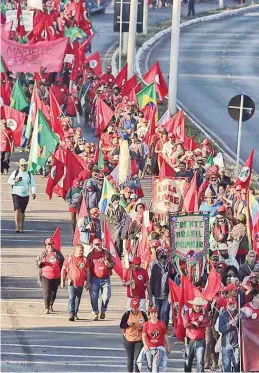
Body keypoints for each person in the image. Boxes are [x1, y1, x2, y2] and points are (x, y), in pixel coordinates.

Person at [61, 244, 90, 321]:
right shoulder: (69, 258)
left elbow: (87, 271)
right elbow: (63, 270)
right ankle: (71, 313)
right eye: (80, 250)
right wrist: (62, 281)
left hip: (80, 282)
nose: (82, 251)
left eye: (82, 250)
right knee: (71, 298)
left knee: (77, 298)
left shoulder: (85, 259)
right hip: (71, 281)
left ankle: (75, 313)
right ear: (75, 250)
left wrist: (88, 282)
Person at [35, 238, 64, 314]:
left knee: (54, 292)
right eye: (48, 244)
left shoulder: (58, 253)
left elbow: (63, 263)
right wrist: (39, 263)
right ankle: (46, 308)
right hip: (45, 276)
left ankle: (51, 304)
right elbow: (36, 262)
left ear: (53, 245)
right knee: (46, 291)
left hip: (56, 276)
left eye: (51, 244)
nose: (50, 246)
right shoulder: (42, 254)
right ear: (45, 245)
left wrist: (64, 275)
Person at [87, 238, 114, 321]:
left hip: (105, 278)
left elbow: (113, 264)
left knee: (106, 296)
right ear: (93, 245)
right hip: (94, 278)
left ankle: (103, 310)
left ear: (102, 243)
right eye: (96, 245)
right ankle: (95, 312)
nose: (98, 246)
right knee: (94, 297)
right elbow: (87, 268)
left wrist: (109, 264)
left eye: (99, 244)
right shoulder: (90, 255)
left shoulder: (106, 253)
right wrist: (87, 281)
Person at [7, 158, 36, 233]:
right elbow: (9, 181)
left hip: (25, 194)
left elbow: (32, 184)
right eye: (22, 165)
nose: (24, 166)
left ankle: (21, 225)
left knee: (22, 211)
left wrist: (33, 192)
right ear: (19, 165)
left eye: (25, 165)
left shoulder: (29, 174)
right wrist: (15, 181)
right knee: (17, 209)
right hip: (16, 193)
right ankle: (17, 226)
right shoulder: (15, 172)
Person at [120, 297, 148, 372]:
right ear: (130, 306)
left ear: (138, 306)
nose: (134, 309)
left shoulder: (143, 314)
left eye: (136, 307)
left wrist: (143, 327)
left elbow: (148, 325)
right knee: (130, 358)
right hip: (128, 339)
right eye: (133, 307)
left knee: (138, 359)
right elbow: (121, 325)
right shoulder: (127, 314)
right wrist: (127, 324)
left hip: (139, 339)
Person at [218, 297, 246, 372]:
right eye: (230, 304)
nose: (232, 305)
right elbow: (220, 329)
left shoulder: (240, 312)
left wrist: (242, 317)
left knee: (237, 363)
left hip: (237, 343)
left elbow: (247, 321)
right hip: (226, 343)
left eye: (233, 303)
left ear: (236, 304)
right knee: (227, 365)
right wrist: (229, 324)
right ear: (227, 305)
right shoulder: (223, 315)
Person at [183, 296, 209, 373]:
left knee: (200, 361)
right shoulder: (188, 312)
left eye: (199, 306)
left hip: (201, 340)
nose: (198, 307)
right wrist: (196, 324)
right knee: (188, 361)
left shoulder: (205, 312)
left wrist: (195, 323)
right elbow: (185, 324)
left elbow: (205, 322)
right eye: (196, 306)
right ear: (193, 305)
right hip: (189, 340)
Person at [141, 306, 171, 373]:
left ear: (157, 314)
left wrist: (168, 345)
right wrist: (145, 345)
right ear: (149, 314)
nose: (153, 314)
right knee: (150, 365)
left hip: (159, 347)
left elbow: (165, 336)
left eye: (155, 313)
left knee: (156, 365)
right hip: (149, 347)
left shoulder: (162, 324)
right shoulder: (146, 324)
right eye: (152, 313)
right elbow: (144, 336)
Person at [150, 249, 174, 327]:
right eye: (161, 257)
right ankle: (158, 326)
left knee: (165, 311)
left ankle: (164, 327)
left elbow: (174, 277)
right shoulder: (155, 266)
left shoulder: (170, 266)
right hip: (157, 294)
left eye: (164, 257)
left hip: (167, 294)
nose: (163, 259)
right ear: (158, 257)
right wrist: (150, 295)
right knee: (158, 311)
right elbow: (151, 281)